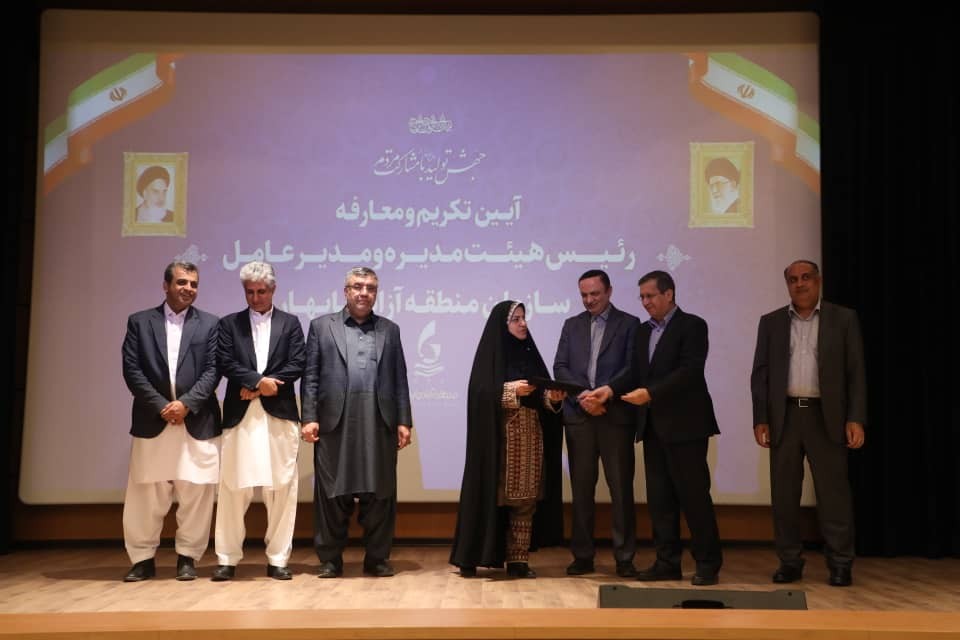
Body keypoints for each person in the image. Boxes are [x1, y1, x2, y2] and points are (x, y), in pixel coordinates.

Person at [585, 270, 723, 586]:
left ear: (669, 294)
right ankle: (667, 562)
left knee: (693, 497)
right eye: (642, 297)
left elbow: (689, 371)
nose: (645, 302)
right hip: (653, 427)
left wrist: (651, 393)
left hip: (687, 427)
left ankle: (707, 563)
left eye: (650, 296)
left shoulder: (692, 326)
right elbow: (634, 373)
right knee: (660, 500)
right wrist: (609, 389)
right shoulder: (643, 331)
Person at [750, 259, 866, 587]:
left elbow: (856, 372)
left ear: (818, 281)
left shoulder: (843, 319)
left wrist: (856, 417)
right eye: (793, 279)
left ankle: (840, 563)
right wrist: (761, 418)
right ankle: (789, 562)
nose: (799, 284)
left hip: (826, 416)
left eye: (806, 278)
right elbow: (760, 375)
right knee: (784, 495)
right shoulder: (771, 322)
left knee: (833, 495)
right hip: (785, 416)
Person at [300, 267, 413, 578]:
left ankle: (377, 558)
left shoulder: (390, 330)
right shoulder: (321, 327)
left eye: (370, 288)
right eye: (358, 286)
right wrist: (309, 417)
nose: (364, 293)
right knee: (332, 494)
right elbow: (310, 377)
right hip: (334, 424)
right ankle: (330, 560)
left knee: (380, 494)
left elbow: (400, 378)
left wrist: (404, 420)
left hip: (379, 423)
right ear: (346, 291)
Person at [120, 261, 221, 582]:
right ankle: (142, 559)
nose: (188, 288)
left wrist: (186, 404)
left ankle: (188, 558)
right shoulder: (140, 322)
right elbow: (132, 370)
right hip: (154, 419)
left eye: (193, 284)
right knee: (146, 493)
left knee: (196, 492)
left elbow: (213, 370)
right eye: (181, 282)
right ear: (165, 285)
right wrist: (163, 406)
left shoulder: (211, 324)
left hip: (197, 420)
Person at [450, 300, 566, 578]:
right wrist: (510, 390)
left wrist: (552, 398)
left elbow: (543, 397)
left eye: (524, 318)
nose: (523, 324)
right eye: (516, 319)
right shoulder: (489, 358)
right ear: (503, 325)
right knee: (488, 497)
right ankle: (473, 556)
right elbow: (480, 394)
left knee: (525, 502)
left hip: (528, 442)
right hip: (496, 445)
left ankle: (518, 561)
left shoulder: (530, 356)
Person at [211, 261, 306, 581]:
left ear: (273, 289)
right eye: (249, 292)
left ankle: (278, 558)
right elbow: (224, 361)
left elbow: (298, 363)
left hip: (279, 413)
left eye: (261, 291)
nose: (255, 297)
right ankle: (227, 558)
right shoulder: (229, 324)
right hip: (240, 415)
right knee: (232, 487)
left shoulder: (291, 323)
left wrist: (263, 387)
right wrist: (256, 382)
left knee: (281, 488)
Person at [553, 270, 640, 578]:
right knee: (581, 491)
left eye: (595, 294)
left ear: (609, 291)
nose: (589, 300)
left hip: (614, 417)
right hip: (579, 417)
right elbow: (560, 366)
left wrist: (606, 395)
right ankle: (582, 556)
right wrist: (584, 398)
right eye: (584, 295)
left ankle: (625, 558)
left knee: (621, 490)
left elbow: (632, 368)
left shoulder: (629, 324)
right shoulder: (571, 325)